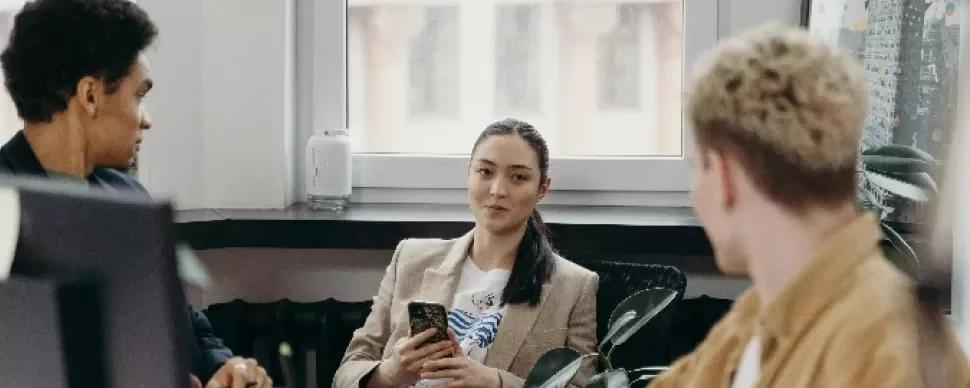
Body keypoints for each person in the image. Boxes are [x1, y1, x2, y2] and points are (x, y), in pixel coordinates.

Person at [647, 24, 970, 387]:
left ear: (723, 176)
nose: (695, 195)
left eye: (696, 168)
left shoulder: (885, 347)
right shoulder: (758, 319)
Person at [0, 1, 271, 387]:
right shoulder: (4, 207)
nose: (146, 119)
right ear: (90, 95)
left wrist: (222, 369)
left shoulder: (129, 197)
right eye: (138, 96)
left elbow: (191, 329)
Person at [333, 118, 599, 388]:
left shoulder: (574, 287)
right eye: (485, 172)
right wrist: (391, 372)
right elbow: (348, 370)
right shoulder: (410, 259)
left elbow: (584, 386)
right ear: (469, 174)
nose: (497, 190)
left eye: (518, 177)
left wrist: (493, 382)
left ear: (542, 188)